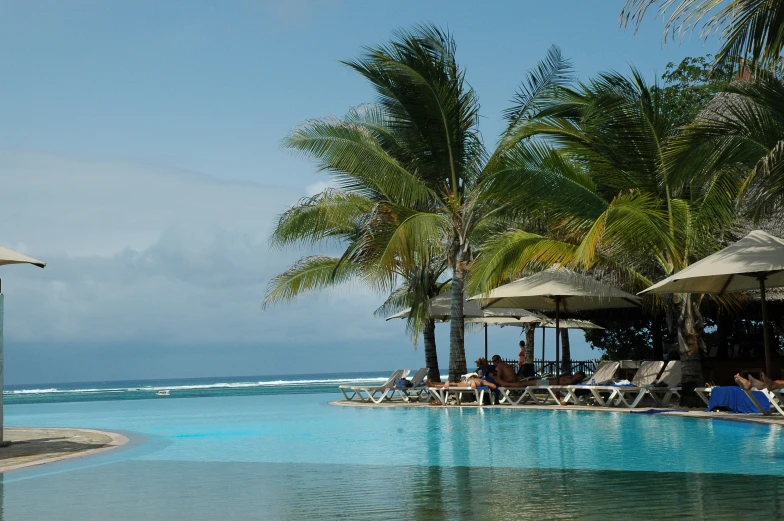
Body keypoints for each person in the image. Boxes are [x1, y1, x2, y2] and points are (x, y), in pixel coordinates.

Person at [494, 371, 587, 388]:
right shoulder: (572, 377)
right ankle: (505, 383)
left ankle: (505, 384)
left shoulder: (577, 377)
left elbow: (570, 382)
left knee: (524, 383)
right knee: (524, 383)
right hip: (548, 382)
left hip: (547, 383)